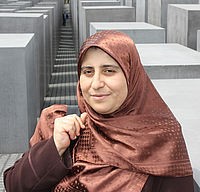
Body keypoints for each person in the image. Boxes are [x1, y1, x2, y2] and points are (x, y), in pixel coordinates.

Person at [4, 30, 194, 192]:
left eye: (109, 71)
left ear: (131, 75)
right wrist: (55, 146)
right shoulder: (56, 121)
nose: (96, 84)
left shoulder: (161, 137)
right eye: (88, 72)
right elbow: (14, 184)